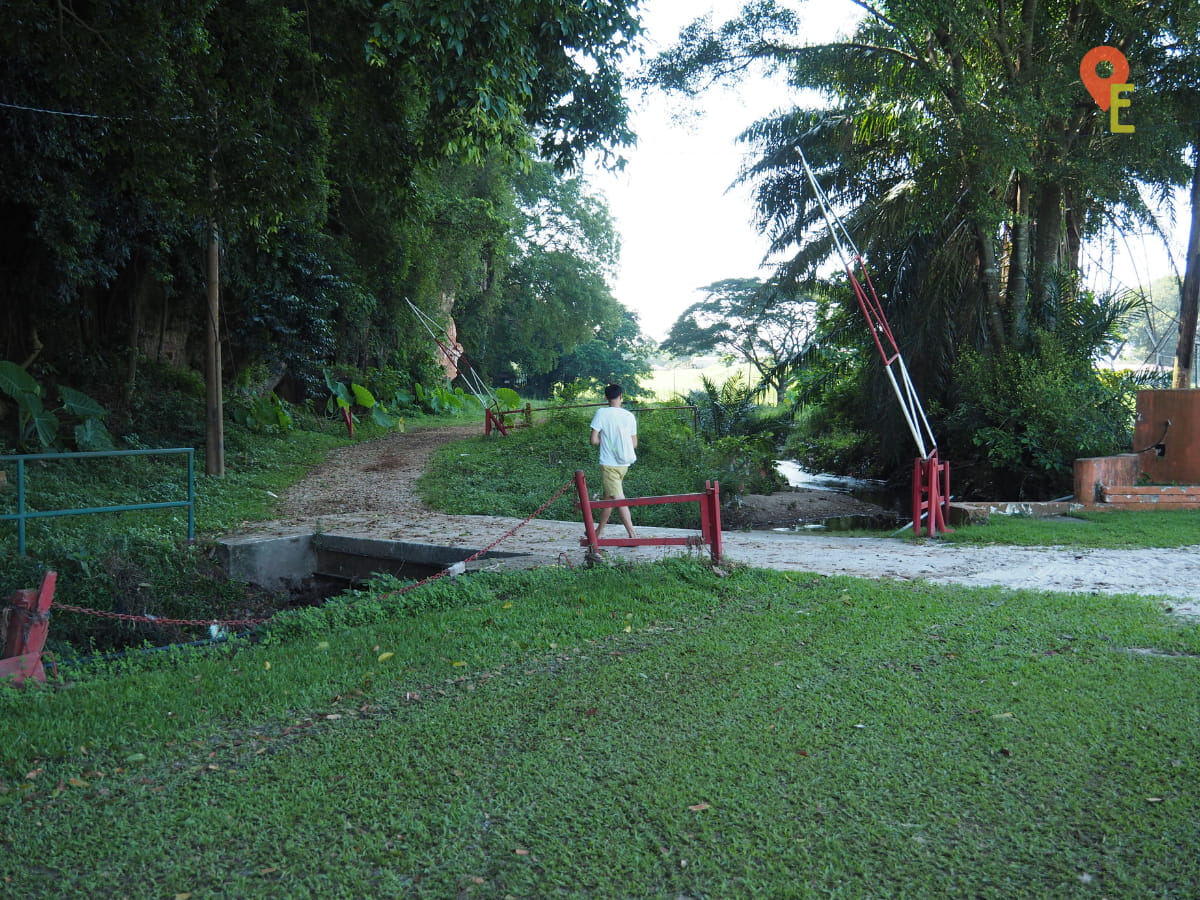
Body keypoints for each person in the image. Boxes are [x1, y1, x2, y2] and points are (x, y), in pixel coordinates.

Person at [589, 383, 638, 539]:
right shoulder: (629, 416)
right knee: (608, 499)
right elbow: (634, 444)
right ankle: (598, 532)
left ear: (606, 397)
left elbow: (593, 440)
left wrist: (604, 440)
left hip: (609, 464)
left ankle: (632, 534)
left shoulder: (602, 413)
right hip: (624, 464)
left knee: (618, 499)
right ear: (621, 396)